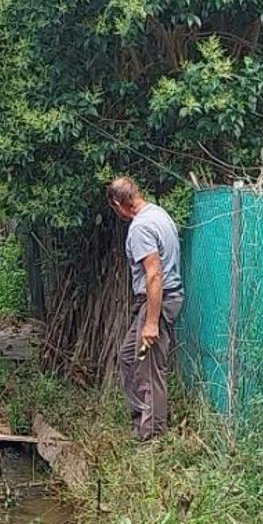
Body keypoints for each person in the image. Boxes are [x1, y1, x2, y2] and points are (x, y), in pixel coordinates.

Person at [106, 177, 185, 441]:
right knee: (129, 357)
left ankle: (151, 435)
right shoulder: (159, 214)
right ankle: (141, 418)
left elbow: (154, 275)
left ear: (118, 204)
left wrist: (151, 322)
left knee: (149, 369)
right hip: (159, 300)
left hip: (157, 302)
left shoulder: (140, 228)